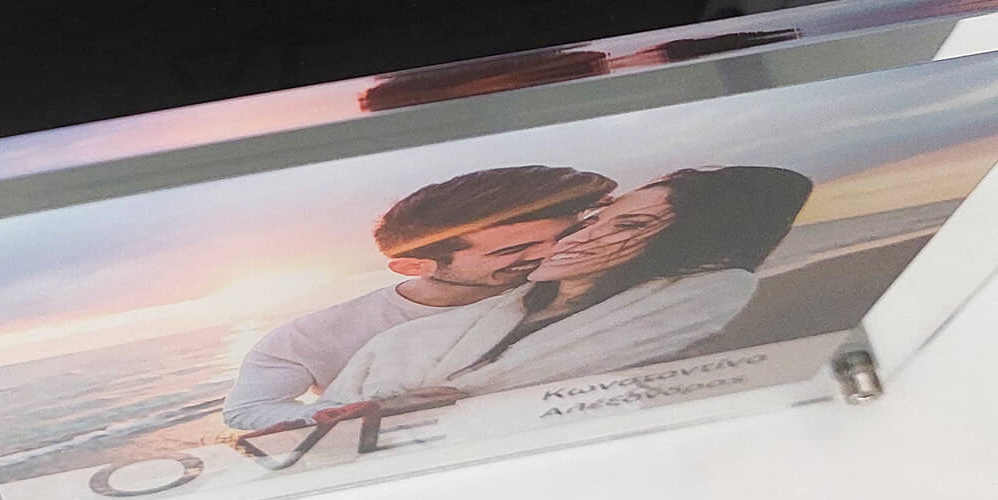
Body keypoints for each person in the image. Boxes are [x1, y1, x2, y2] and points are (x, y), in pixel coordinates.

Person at [322, 165, 812, 402]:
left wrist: (420, 403)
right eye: (597, 220)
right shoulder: (417, 336)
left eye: (630, 226)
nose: (580, 237)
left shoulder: (711, 293)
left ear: (683, 245)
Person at [220, 165, 615, 431]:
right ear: (415, 266)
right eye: (513, 250)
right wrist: (360, 413)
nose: (555, 253)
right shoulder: (314, 336)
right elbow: (248, 410)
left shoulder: (601, 279)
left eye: (566, 236)